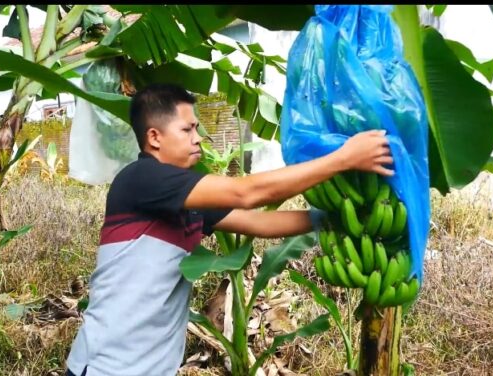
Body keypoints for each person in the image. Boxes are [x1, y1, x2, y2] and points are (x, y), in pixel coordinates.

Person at [65, 83, 393, 376]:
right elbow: (246, 193)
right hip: (107, 365)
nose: (198, 137)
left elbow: (259, 223)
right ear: (154, 137)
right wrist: (343, 159)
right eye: (187, 129)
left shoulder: (187, 199)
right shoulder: (140, 180)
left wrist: (334, 218)